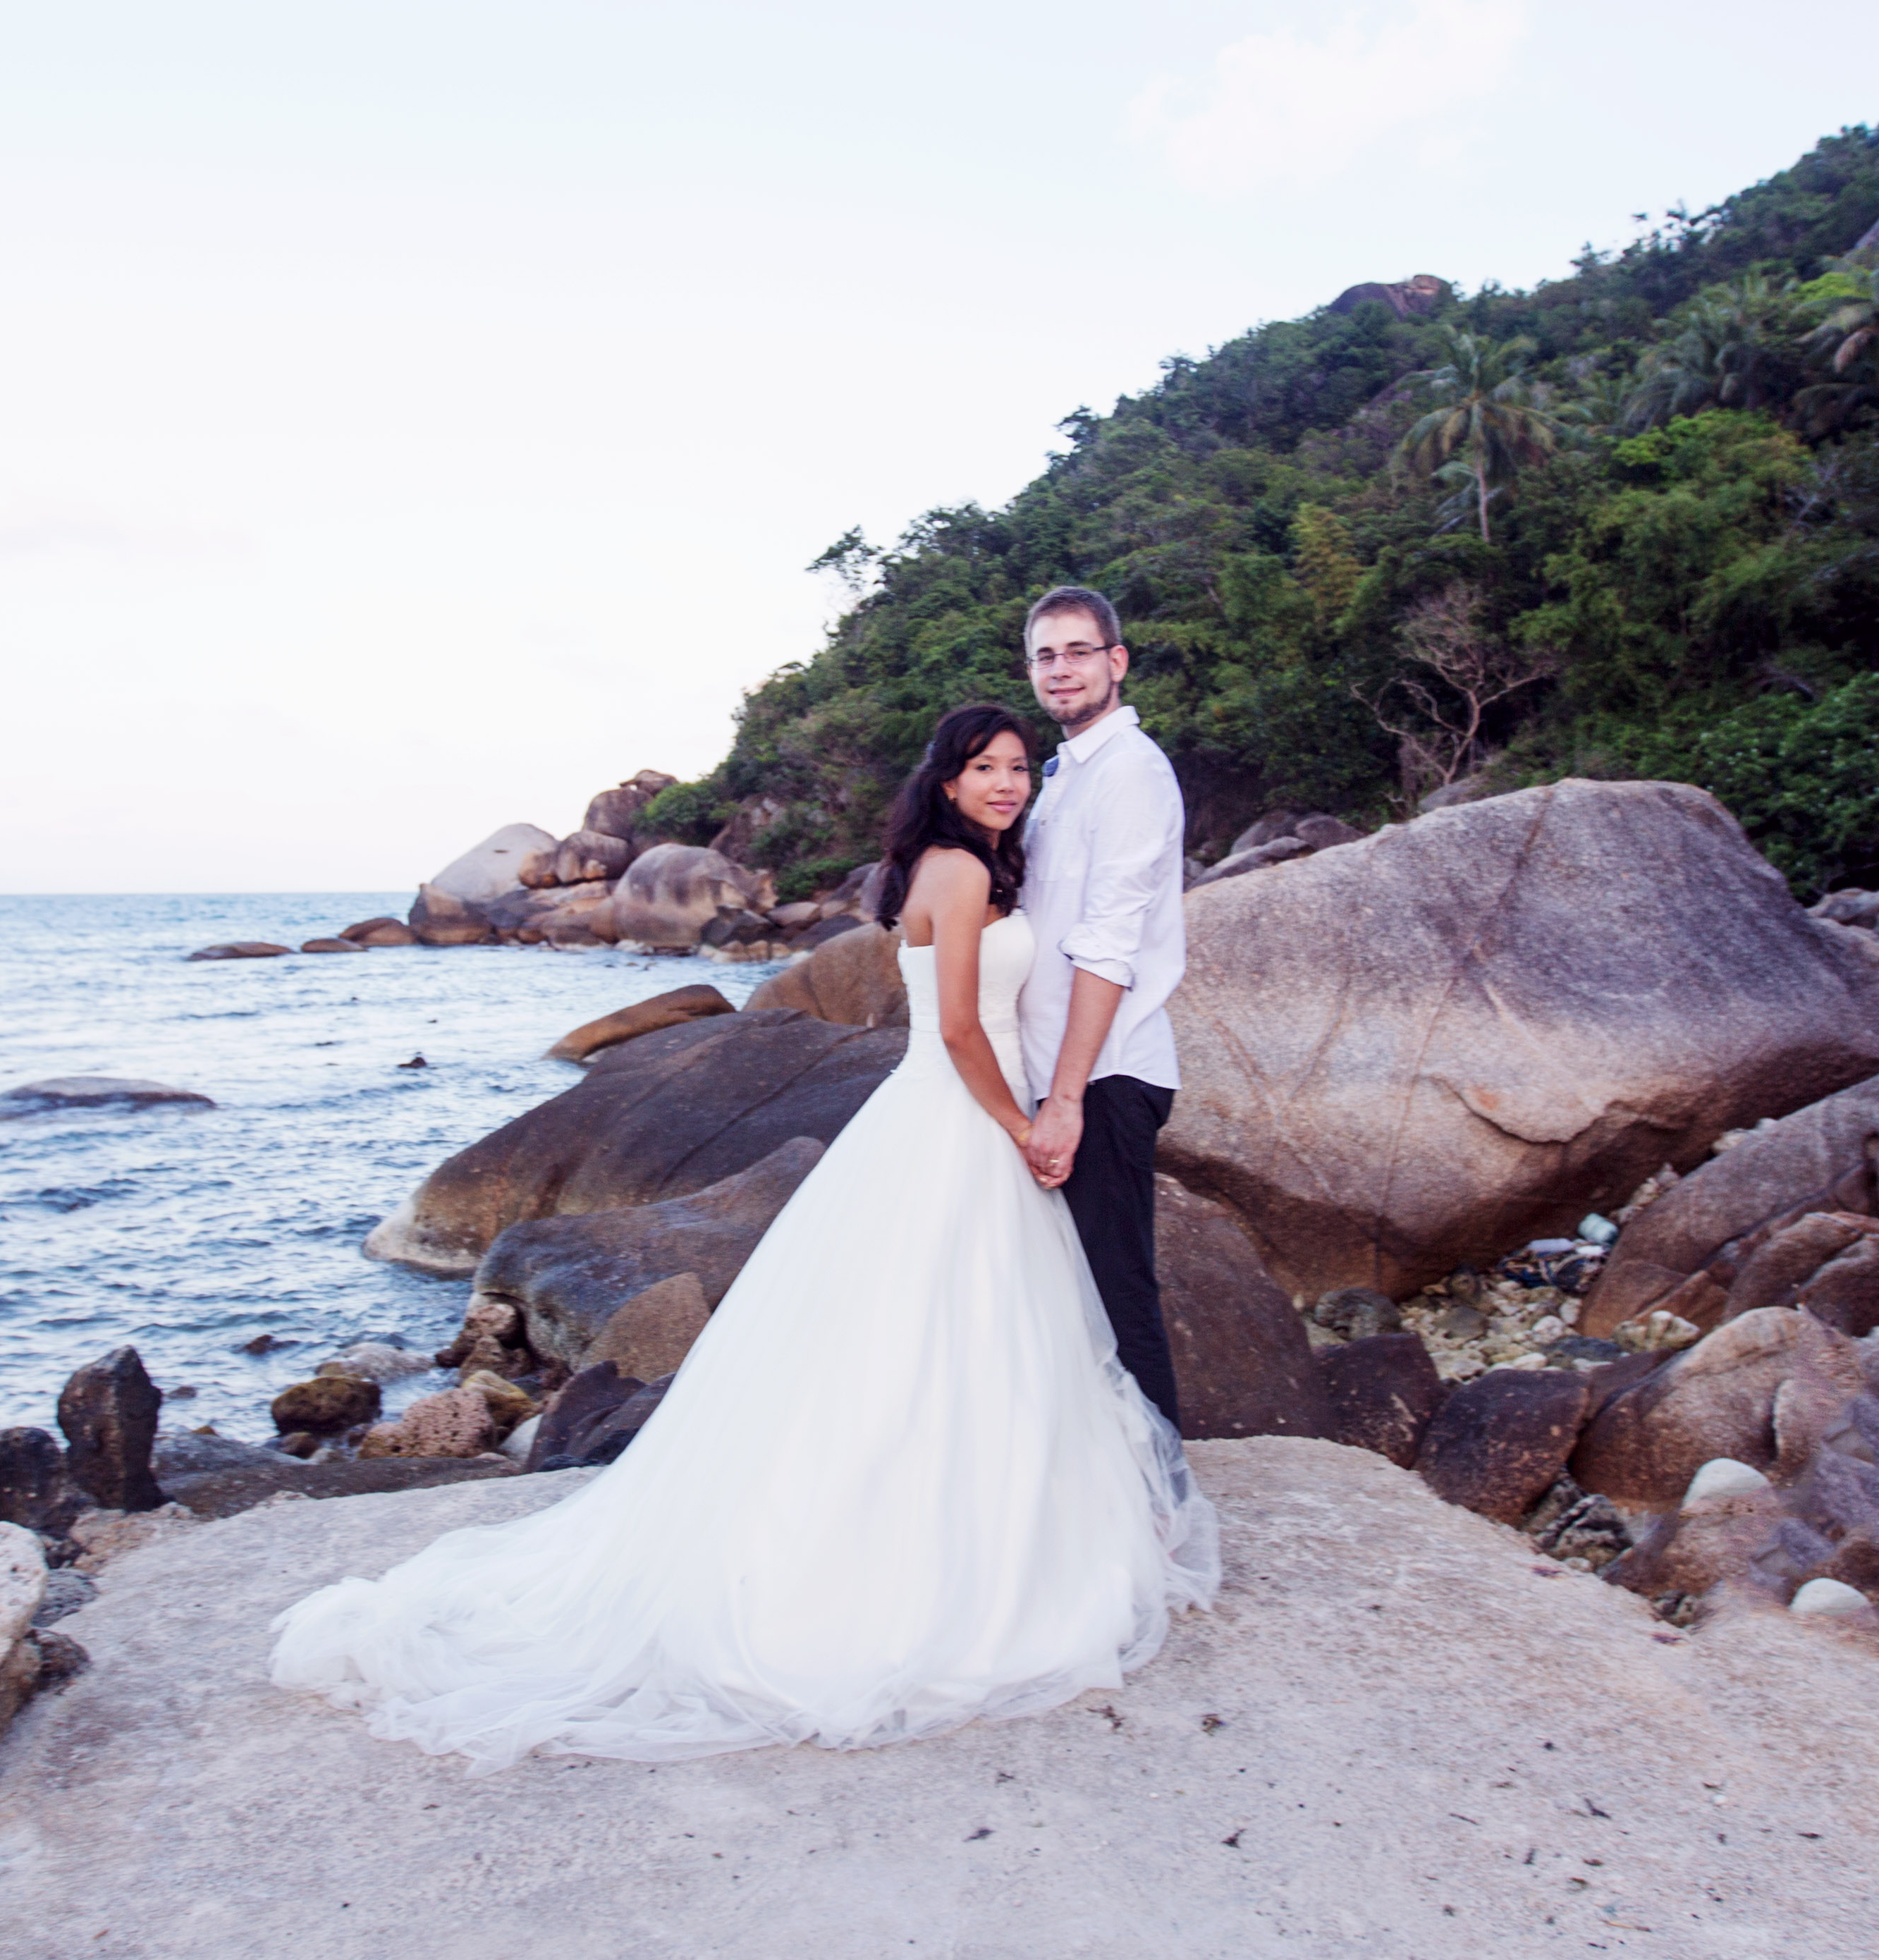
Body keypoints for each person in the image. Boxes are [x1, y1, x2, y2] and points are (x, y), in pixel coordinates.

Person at [268, 704, 1218, 1770]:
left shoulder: (991, 868)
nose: (1006, 784)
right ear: (946, 782)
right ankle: (904, 1548)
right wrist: (1026, 1125)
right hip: (959, 1115)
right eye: (983, 768)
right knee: (943, 1320)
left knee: (969, 1325)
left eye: (1015, 768)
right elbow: (953, 1031)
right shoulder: (953, 873)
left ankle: (985, 1522)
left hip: (963, 1117)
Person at [1010, 584, 1191, 1430]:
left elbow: (1107, 948)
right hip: (1059, 1072)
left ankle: (1161, 1499)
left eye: (1079, 651)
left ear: (1116, 662)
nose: (1061, 669)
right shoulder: (1063, 778)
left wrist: (1068, 1097)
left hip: (1105, 1075)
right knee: (1068, 1300)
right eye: (1046, 655)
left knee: (1117, 1295)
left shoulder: (1128, 774)